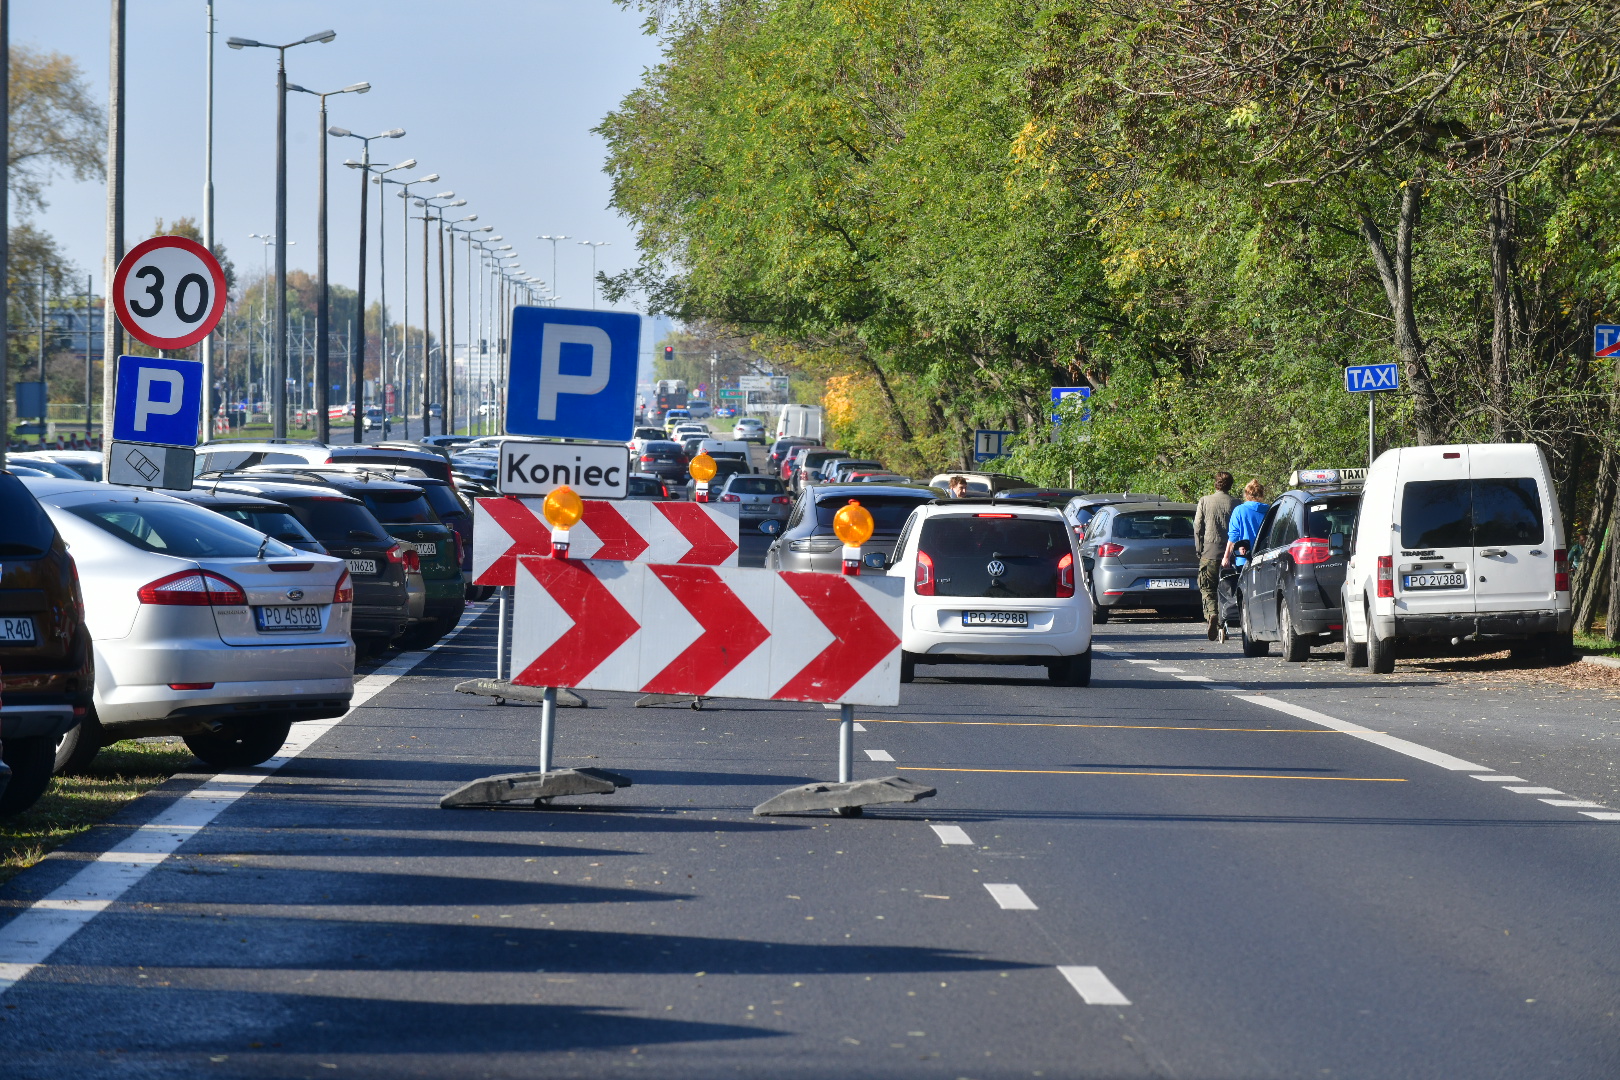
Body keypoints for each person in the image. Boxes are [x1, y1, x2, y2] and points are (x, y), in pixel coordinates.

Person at [1193, 471, 1240, 640]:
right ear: (1230, 485)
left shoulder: (1204, 501)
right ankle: (1224, 623)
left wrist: (1200, 549)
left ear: (1216, 484)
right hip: (1232, 554)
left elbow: (1198, 526)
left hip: (1210, 552)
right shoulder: (1236, 503)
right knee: (1229, 590)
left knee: (1207, 587)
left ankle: (1212, 614)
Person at [1223, 479, 1269, 570]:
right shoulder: (1270, 510)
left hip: (1244, 559)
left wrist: (1226, 557)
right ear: (1262, 494)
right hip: (1266, 558)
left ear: (1246, 494)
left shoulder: (1239, 510)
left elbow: (1233, 536)